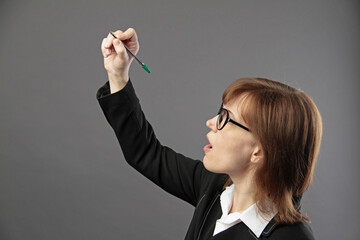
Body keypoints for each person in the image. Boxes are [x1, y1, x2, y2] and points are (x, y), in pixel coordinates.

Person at [97, 28, 322, 240]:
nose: (211, 122)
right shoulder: (215, 187)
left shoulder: (290, 236)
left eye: (226, 118)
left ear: (258, 152)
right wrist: (118, 73)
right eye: (219, 113)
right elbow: (146, 153)